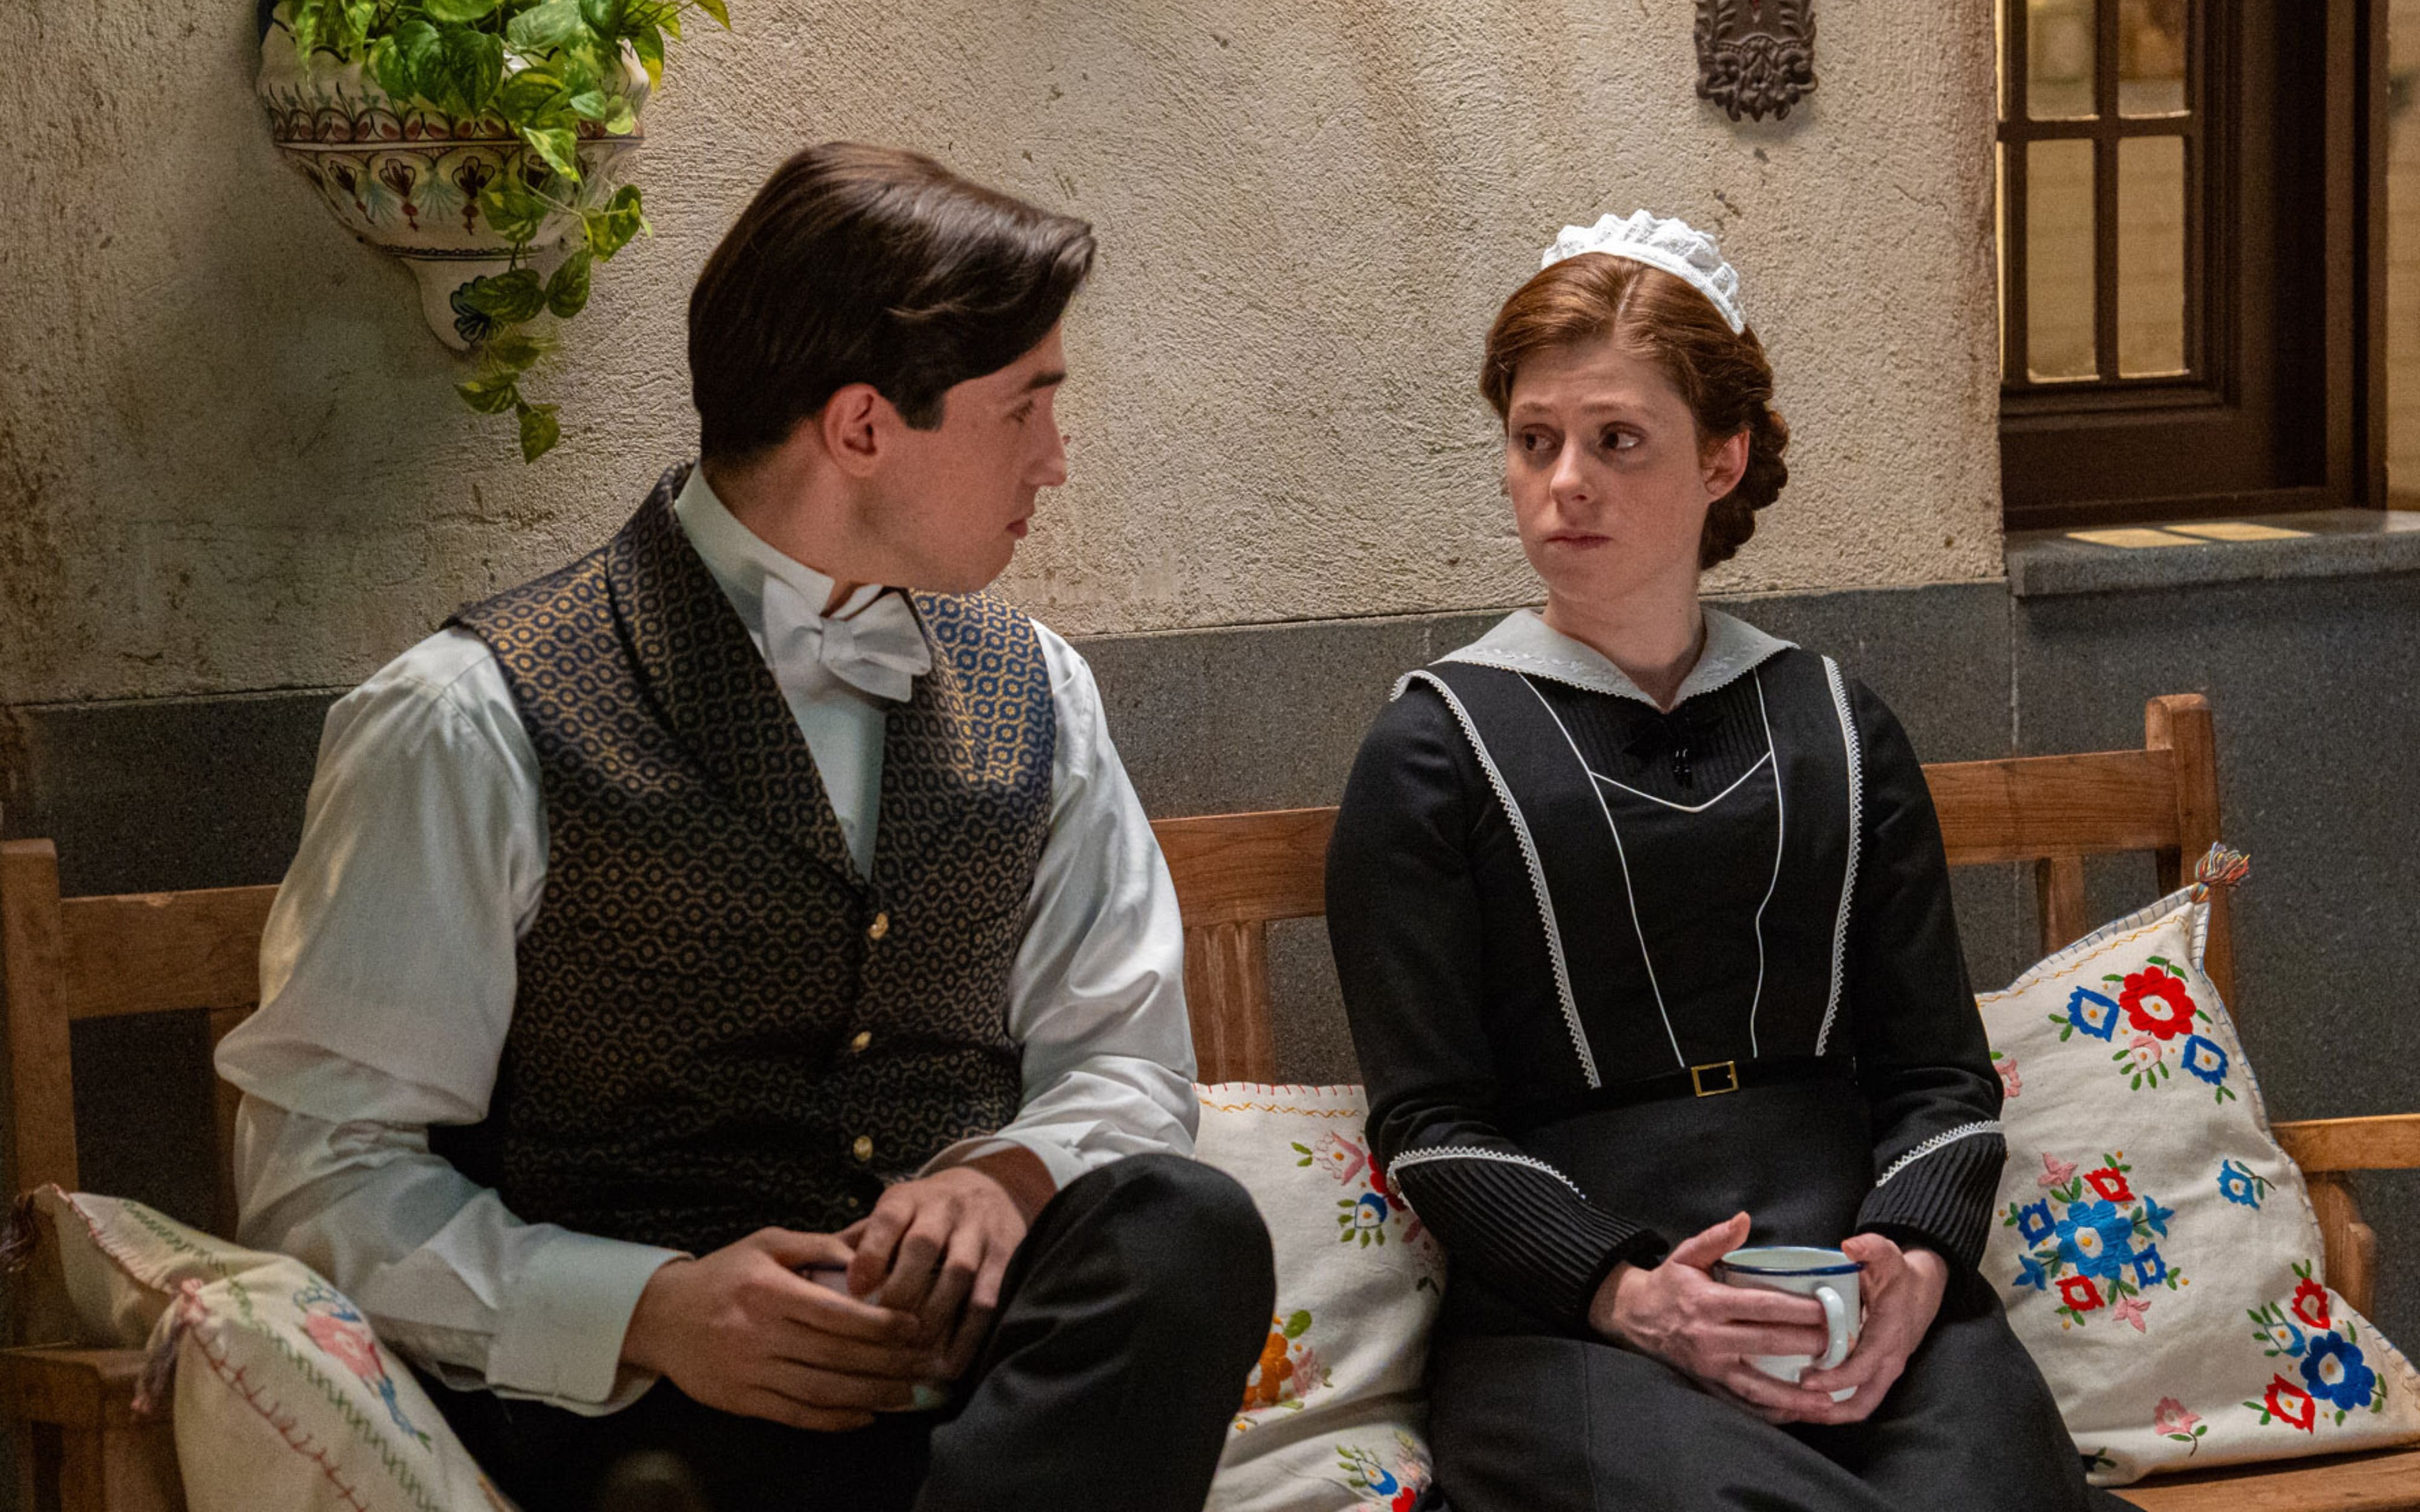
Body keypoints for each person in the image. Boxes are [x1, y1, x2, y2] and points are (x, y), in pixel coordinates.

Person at [216, 142, 1274, 1512]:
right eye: (1027, 408)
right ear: (862, 428)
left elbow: (1125, 1058)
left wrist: (1009, 1179)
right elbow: (324, 1175)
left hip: (981, 1399)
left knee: (1187, 1231)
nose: (1057, 461)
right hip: (658, 1411)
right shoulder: (464, 720)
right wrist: (650, 1309)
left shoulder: (1043, 692)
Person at [1324, 210, 2098, 1511]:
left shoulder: (1839, 724)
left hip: (1856, 1277)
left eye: (1616, 439)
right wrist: (1629, 1294)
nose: (1566, 480)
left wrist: (1913, 1265)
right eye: (1534, 440)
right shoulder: (1431, 749)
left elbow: (1936, 1075)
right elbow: (1428, 1120)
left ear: (1721, 459)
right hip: (1573, 1317)